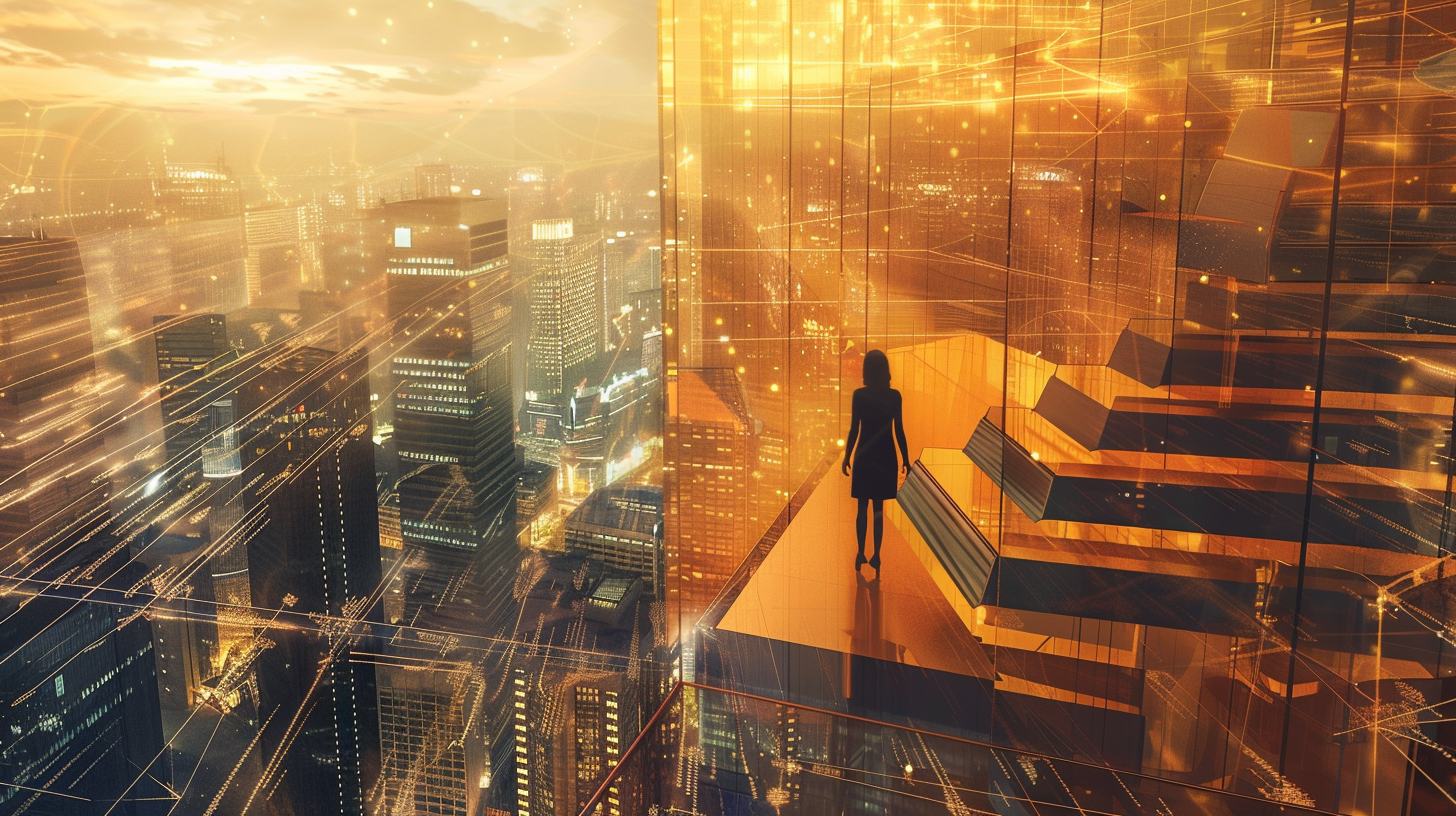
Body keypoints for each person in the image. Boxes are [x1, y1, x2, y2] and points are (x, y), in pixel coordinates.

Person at [841, 349, 909, 572]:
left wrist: (847, 456)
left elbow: (854, 429)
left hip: (864, 455)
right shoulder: (894, 396)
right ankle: (877, 555)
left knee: (862, 507)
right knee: (878, 509)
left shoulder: (859, 395)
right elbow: (899, 430)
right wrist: (905, 459)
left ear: (866, 371)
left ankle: (860, 553)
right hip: (885, 455)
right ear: (886, 371)